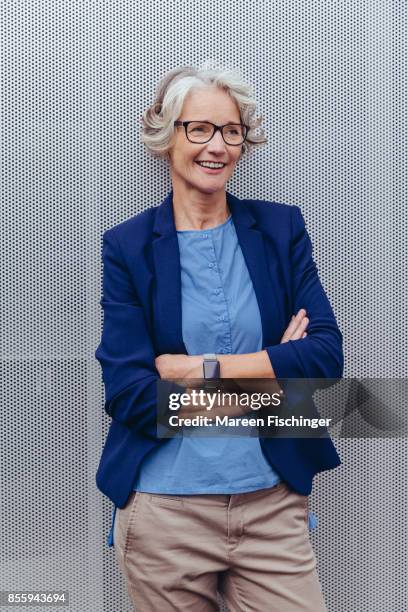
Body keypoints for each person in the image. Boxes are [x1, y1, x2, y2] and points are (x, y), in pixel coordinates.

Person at [94, 64, 343, 611]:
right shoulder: (129, 248)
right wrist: (269, 369)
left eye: (231, 131)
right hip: (165, 516)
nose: (218, 146)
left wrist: (197, 368)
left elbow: (324, 358)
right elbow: (133, 396)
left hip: (272, 506)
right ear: (167, 136)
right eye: (199, 128)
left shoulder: (279, 230)